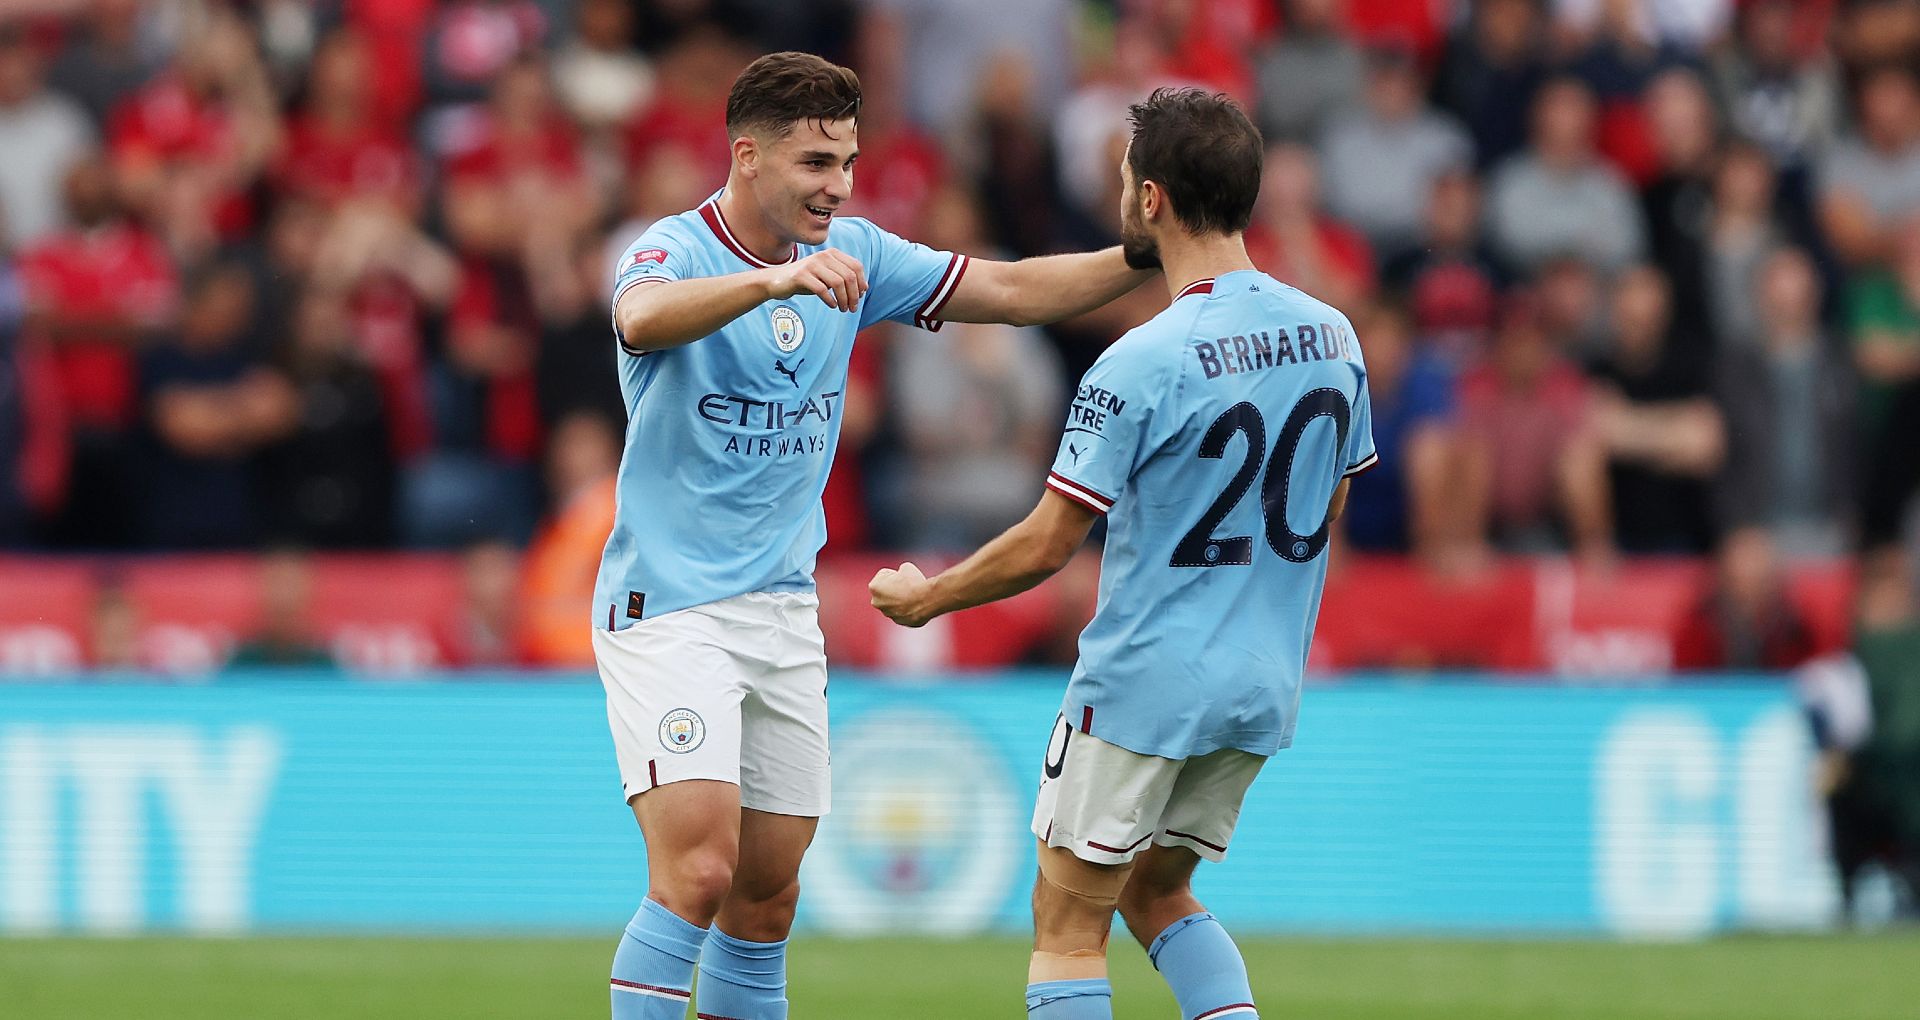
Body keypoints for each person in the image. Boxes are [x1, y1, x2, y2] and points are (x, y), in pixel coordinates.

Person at [593, 52, 1151, 1020]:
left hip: (778, 610)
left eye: (846, 161)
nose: (837, 185)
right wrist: (772, 287)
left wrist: (1150, 255)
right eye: (815, 162)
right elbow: (640, 320)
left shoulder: (861, 253)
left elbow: (1014, 292)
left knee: (767, 899)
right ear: (749, 155)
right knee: (699, 868)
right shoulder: (673, 252)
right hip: (668, 607)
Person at [870, 88, 1374, 1020]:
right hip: (1262, 680)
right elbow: (1333, 496)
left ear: (1153, 202)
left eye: (1122, 179)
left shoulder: (1144, 358)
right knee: (1160, 891)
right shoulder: (1333, 335)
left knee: (1067, 930)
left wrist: (928, 597)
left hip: (1145, 680)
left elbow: (1048, 543)